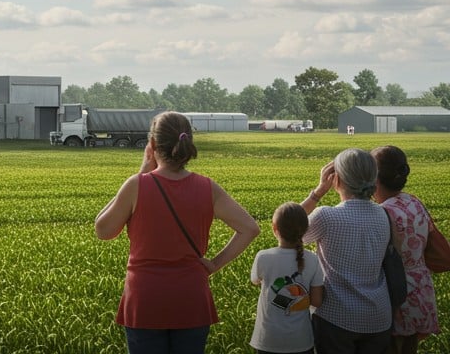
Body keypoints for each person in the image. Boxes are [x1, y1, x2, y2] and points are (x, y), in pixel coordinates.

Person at [96, 111, 260, 354]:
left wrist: (141, 172)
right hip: (191, 298)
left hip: (145, 299)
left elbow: (103, 230)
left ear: (151, 145)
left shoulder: (137, 185)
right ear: (187, 143)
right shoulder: (208, 188)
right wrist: (214, 264)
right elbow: (250, 228)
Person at [301, 148, 395, 353]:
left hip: (335, 316)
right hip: (378, 317)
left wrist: (317, 193)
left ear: (337, 179)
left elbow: (287, 230)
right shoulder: (383, 214)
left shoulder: (326, 217)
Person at [372, 145, 439, 353]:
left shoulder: (383, 212)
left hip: (397, 290)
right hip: (421, 285)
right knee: (409, 347)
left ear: (374, 178)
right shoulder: (414, 202)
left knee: (392, 346)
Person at [250, 202, 325, 354]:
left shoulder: (263, 257)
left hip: (268, 339)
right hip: (301, 340)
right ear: (305, 230)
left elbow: (255, 281)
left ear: (274, 229)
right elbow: (317, 301)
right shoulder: (313, 259)